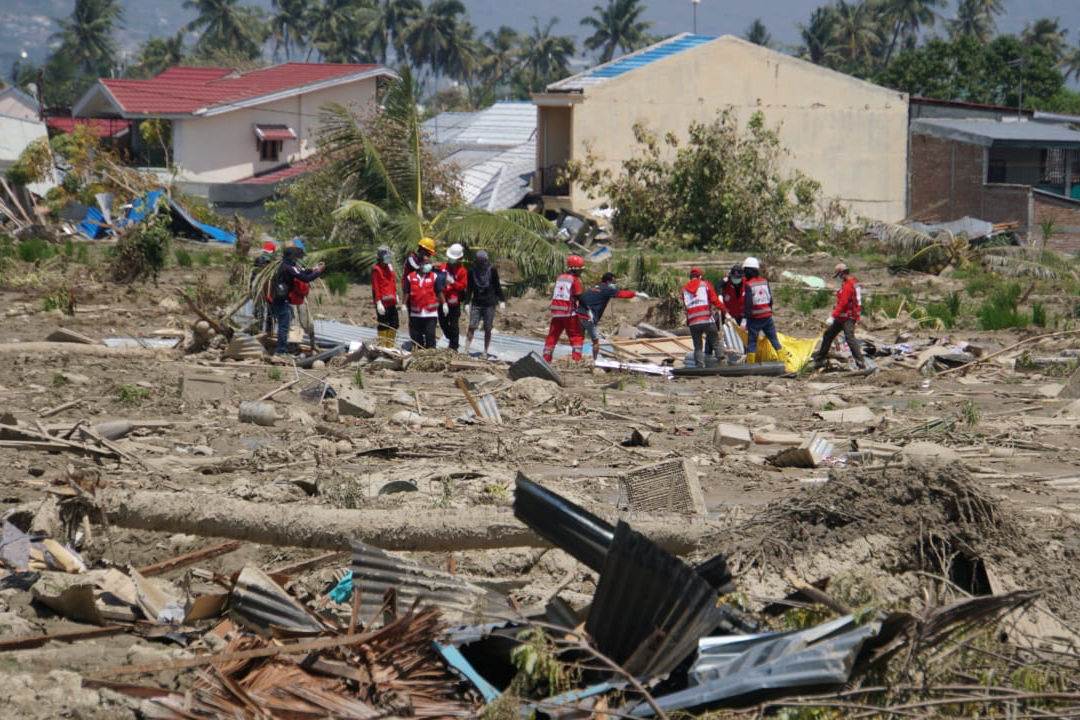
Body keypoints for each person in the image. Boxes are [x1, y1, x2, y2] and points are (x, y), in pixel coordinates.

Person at [578, 272, 648, 361]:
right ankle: (595, 361)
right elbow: (621, 294)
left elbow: (582, 299)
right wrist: (636, 294)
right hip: (589, 317)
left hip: (579, 315)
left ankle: (576, 358)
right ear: (608, 282)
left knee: (579, 338)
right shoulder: (607, 289)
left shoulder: (594, 288)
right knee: (595, 341)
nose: (615, 284)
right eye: (614, 282)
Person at [270, 243, 325, 356]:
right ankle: (281, 351)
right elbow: (305, 278)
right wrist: (318, 272)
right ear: (292, 257)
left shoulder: (287, 265)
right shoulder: (288, 267)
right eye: (296, 257)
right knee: (284, 327)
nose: (297, 260)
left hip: (281, 300)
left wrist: (313, 269)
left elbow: (302, 272)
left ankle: (282, 349)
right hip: (282, 301)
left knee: (284, 326)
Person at [813, 262, 867, 370]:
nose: (838, 278)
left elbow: (843, 303)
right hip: (842, 317)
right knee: (828, 335)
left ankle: (861, 362)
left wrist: (833, 316)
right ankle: (819, 359)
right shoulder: (851, 282)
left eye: (838, 275)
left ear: (842, 274)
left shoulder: (848, 285)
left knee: (849, 338)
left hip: (848, 317)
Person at [543, 255, 586, 363]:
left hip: (557, 312)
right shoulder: (574, 280)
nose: (581, 272)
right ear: (576, 269)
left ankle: (546, 359)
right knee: (576, 336)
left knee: (552, 336)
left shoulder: (560, 277)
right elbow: (579, 296)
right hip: (569, 312)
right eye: (580, 270)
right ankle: (576, 359)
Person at [464, 250, 505, 359]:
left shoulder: (492, 270)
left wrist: (502, 300)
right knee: (472, 326)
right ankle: (466, 350)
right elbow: (469, 288)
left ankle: (485, 351)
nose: (482, 263)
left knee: (488, 328)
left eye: (484, 261)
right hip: (477, 302)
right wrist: (467, 302)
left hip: (489, 303)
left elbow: (497, 286)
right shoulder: (472, 271)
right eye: (480, 261)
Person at [681, 268, 725, 368]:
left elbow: (686, 306)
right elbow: (714, 300)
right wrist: (724, 309)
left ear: (690, 277)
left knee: (698, 347)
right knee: (715, 341)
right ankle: (722, 363)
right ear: (700, 276)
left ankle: (699, 366)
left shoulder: (684, 290)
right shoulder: (705, 285)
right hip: (707, 320)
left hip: (693, 322)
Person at [742, 256, 782, 363]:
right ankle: (784, 361)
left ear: (748, 271)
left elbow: (748, 304)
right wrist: (768, 311)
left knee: (752, 343)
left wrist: (745, 319)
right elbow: (770, 300)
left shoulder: (748, 285)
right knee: (774, 340)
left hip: (755, 319)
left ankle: (750, 365)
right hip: (767, 317)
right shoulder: (765, 281)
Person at [403, 259, 446, 349]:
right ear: (420, 265)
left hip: (430, 314)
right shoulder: (410, 277)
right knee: (416, 339)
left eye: (429, 263)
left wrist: (444, 303)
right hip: (416, 314)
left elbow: (439, 291)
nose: (429, 266)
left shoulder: (434, 276)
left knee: (430, 337)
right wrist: (403, 304)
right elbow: (406, 292)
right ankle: (419, 357)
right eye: (426, 264)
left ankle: (430, 357)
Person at [437, 243, 468, 351]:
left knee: (454, 324)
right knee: (442, 322)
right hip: (442, 300)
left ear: (459, 258)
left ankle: (453, 346)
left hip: (454, 302)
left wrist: (453, 282)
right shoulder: (443, 267)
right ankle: (452, 339)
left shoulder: (462, 271)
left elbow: (462, 286)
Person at [371, 246, 399, 348]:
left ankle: (390, 345)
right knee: (383, 325)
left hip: (391, 301)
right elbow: (376, 287)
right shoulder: (376, 269)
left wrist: (396, 293)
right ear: (381, 257)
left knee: (394, 324)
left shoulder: (389, 267)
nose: (389, 258)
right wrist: (378, 302)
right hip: (383, 303)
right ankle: (383, 346)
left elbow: (392, 281)